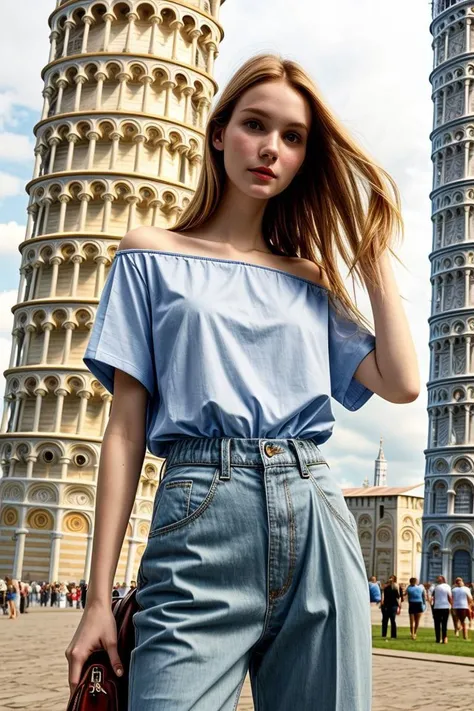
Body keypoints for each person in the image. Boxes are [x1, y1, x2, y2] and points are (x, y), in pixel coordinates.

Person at [65, 53, 419, 710]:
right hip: (199, 513)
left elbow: (400, 382)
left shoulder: (309, 278)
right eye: (256, 125)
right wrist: (95, 600)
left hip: (315, 510)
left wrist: (371, 260)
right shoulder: (150, 254)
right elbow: (125, 429)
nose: (271, 149)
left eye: (293, 137)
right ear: (219, 131)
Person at [432, 575, 453, 644]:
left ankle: (438, 639)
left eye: (438, 579)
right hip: (445, 607)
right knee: (444, 624)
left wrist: (433, 607)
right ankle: (444, 638)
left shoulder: (436, 587)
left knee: (437, 624)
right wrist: (452, 606)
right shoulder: (447, 587)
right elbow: (449, 597)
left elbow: (433, 598)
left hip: (437, 607)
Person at [451, 577, 473, 641]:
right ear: (462, 582)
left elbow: (451, 598)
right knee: (464, 622)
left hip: (455, 607)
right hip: (463, 607)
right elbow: (470, 598)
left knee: (456, 621)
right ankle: (465, 637)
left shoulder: (453, 590)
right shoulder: (466, 589)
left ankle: (457, 630)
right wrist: (469, 604)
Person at [381, 575, 402, 640]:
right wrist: (399, 605)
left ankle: (384, 634)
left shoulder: (385, 589)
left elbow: (383, 598)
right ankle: (393, 635)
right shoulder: (395, 589)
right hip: (393, 606)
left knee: (385, 620)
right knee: (393, 621)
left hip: (386, 606)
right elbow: (398, 597)